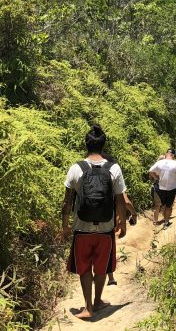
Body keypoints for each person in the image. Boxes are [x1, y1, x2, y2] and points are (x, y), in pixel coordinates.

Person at [62, 124, 127, 320]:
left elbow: (67, 200)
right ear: (103, 145)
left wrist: (65, 224)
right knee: (101, 267)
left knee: (84, 268)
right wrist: (122, 223)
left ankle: (88, 307)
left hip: (82, 228)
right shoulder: (114, 168)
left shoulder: (76, 168)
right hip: (106, 228)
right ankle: (98, 301)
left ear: (86, 145)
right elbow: (120, 199)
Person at [148, 148, 176, 229]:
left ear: (166, 154)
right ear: (173, 155)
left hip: (160, 189)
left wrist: (156, 179)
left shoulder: (159, 163)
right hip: (171, 189)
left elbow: (150, 171)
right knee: (168, 206)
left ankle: (157, 221)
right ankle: (166, 221)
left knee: (160, 205)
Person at [107, 192, 136, 286]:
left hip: (88, 222)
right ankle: (110, 278)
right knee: (108, 251)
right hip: (107, 223)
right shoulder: (116, 180)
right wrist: (134, 214)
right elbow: (126, 202)